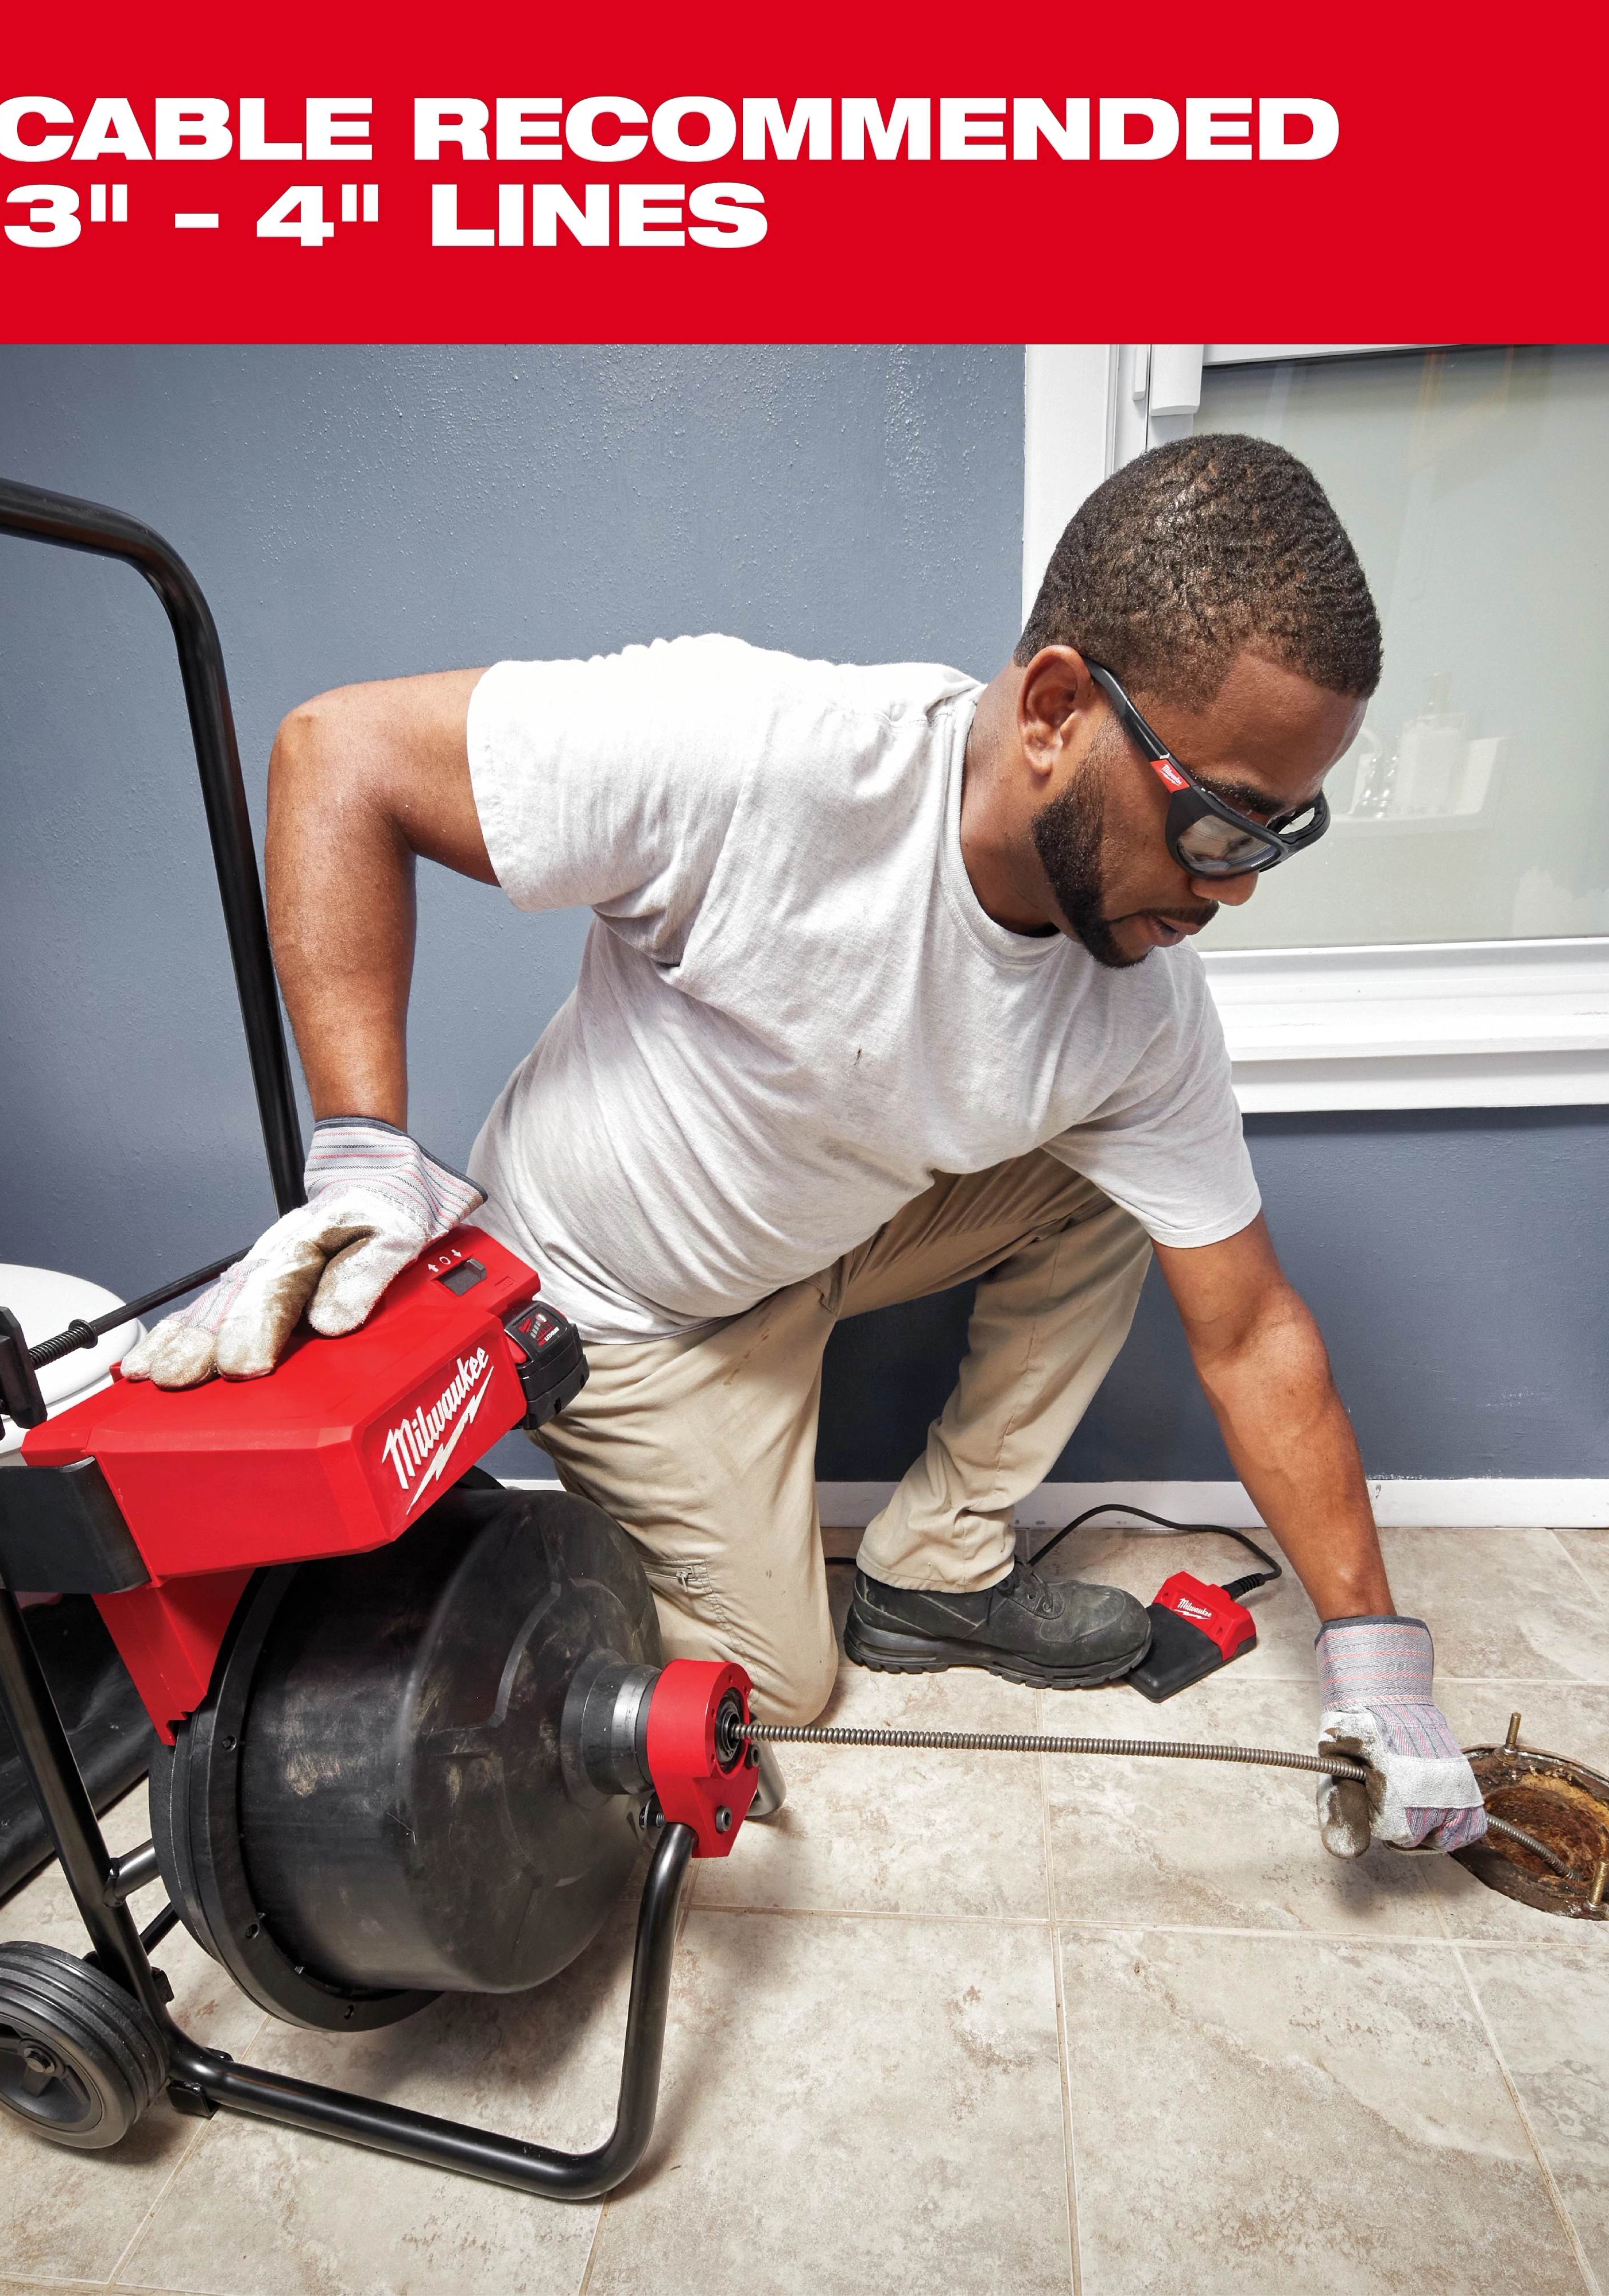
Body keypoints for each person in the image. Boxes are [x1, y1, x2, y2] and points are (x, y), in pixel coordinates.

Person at [120, 434, 1484, 1857]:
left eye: (1277, 837)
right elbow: (335, 755)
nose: (1234, 888)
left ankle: (935, 1572)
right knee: (773, 1692)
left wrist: (1374, 1661)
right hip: (624, 1300)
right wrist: (359, 1152)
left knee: (1120, 1192)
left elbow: (1250, 1325)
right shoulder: (759, 758)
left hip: (828, 1227)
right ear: (1056, 710)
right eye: (1216, 822)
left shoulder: (1140, 1013)